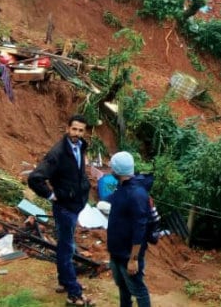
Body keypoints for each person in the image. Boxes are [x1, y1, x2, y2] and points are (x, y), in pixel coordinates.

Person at [29, 115, 93, 307]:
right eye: (74, 129)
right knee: (67, 249)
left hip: (75, 205)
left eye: (81, 130)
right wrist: (50, 195)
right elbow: (35, 178)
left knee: (65, 247)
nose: (77, 134)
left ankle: (64, 282)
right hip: (65, 208)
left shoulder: (81, 146)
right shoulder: (57, 153)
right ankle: (74, 294)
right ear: (67, 129)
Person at [106, 151, 160, 307]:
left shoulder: (136, 194)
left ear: (117, 170)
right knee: (123, 287)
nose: (110, 170)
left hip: (128, 254)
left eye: (112, 167)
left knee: (138, 290)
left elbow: (139, 229)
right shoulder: (122, 187)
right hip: (117, 251)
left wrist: (133, 259)